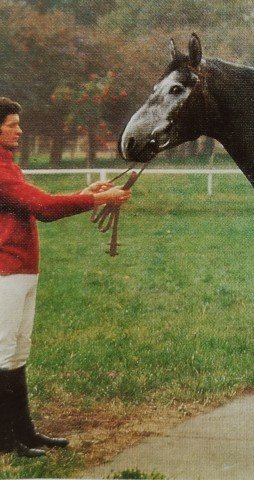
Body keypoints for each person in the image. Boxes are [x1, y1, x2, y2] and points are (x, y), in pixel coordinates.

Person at [0, 97, 131, 457]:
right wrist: (97, 201)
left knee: (17, 351)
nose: (19, 129)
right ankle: (6, 438)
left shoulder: (8, 166)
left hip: (21, 269)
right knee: (4, 352)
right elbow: (43, 208)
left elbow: (36, 200)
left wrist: (85, 194)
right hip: (6, 271)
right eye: (12, 124)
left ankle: (23, 433)